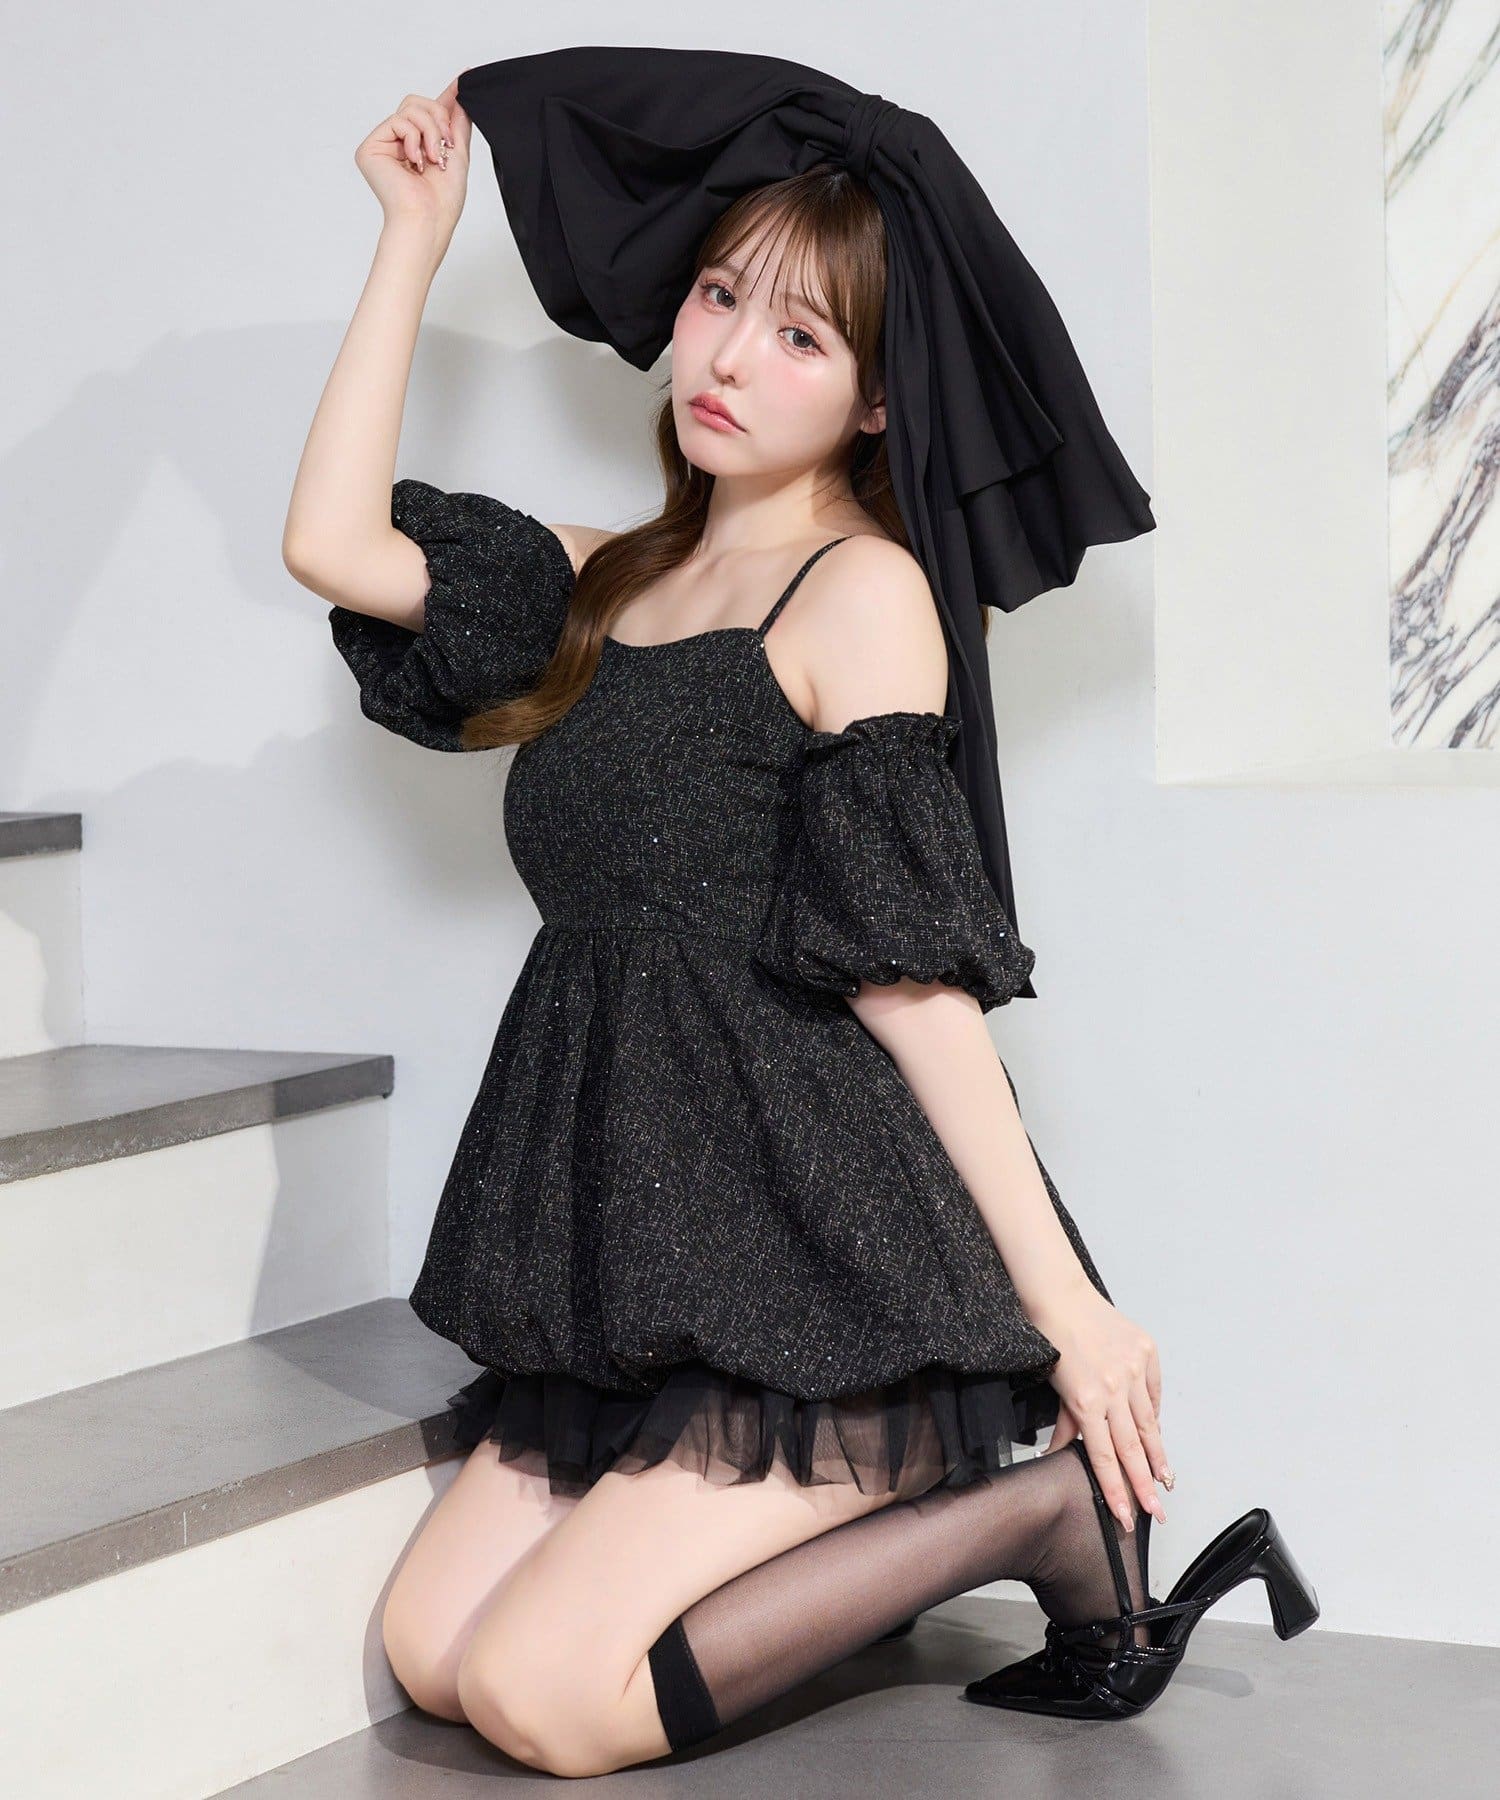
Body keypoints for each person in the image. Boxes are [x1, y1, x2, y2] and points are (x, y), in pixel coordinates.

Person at [282, 70, 1318, 1781]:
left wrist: (1074, 1313)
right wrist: (414, 237)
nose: (729, 359)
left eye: (800, 338)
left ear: (877, 401)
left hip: (821, 1250)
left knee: (543, 1698)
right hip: (635, 1238)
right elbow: (333, 540)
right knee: (433, 1654)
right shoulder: (602, 581)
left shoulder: (863, 594)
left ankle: (1042, 1518)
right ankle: (909, 1555)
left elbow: (913, 988)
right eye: (718, 300)